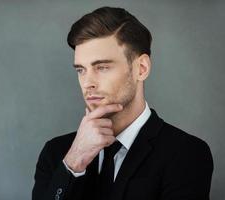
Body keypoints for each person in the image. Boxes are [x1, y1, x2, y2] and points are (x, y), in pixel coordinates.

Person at [32, 6, 213, 200]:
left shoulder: (186, 154)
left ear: (141, 69)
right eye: (80, 70)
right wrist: (74, 161)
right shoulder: (57, 153)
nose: (87, 83)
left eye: (102, 67)